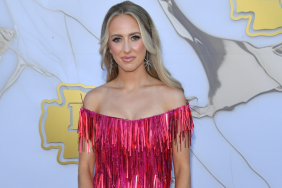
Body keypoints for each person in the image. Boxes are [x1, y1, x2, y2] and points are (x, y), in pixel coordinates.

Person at [77, 1, 195, 188]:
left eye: (134, 37)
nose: (126, 49)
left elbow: (182, 170)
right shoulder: (94, 101)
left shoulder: (173, 100)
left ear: (148, 41)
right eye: (117, 39)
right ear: (108, 45)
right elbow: (84, 168)